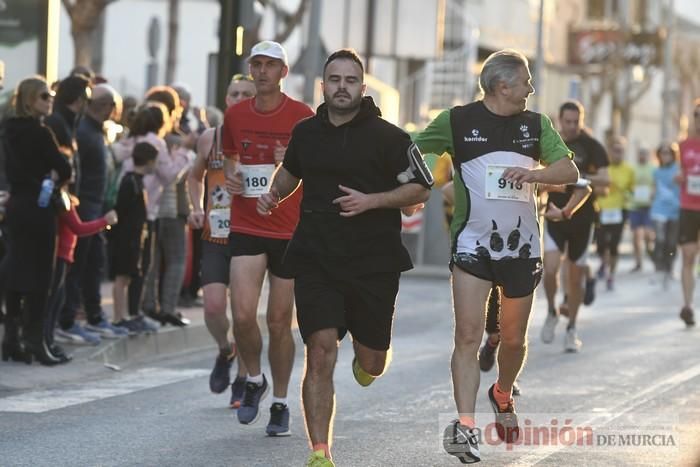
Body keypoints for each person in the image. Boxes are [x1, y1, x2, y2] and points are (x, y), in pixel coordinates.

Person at [256, 49, 431, 467]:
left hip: (374, 261)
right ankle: (320, 452)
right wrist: (274, 192)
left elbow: (421, 190)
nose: (341, 87)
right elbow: (291, 173)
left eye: (350, 80)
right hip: (316, 256)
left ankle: (368, 358)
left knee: (372, 360)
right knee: (319, 350)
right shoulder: (306, 133)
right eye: (334, 79)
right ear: (323, 85)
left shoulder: (390, 138)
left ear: (362, 88)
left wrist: (372, 200)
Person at [413, 49, 578, 463]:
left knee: (513, 338)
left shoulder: (536, 124)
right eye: (526, 81)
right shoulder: (457, 120)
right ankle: (466, 427)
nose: (531, 88)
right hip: (472, 245)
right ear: (503, 86)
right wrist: (428, 178)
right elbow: (413, 148)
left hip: (521, 249)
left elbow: (569, 173)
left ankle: (502, 392)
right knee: (468, 337)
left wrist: (536, 174)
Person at [222, 40, 314, 435]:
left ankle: (279, 401)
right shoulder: (235, 114)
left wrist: (287, 163)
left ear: (283, 72)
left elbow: (317, 171)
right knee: (242, 315)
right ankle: (254, 379)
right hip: (246, 223)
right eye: (256, 64)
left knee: (279, 322)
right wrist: (231, 175)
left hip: (289, 228)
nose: (262, 71)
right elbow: (230, 157)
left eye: (269, 65)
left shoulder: (302, 116)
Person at [188, 74, 255, 405]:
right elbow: (193, 177)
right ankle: (225, 351)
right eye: (235, 93)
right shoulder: (209, 139)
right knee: (214, 307)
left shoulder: (262, 138)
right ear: (226, 99)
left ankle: (244, 378)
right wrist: (194, 207)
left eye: (247, 93)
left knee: (243, 312)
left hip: (251, 235)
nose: (240, 98)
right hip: (215, 234)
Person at [3, 76, 72, 365]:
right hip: (40, 207)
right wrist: (54, 176)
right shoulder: (40, 132)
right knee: (41, 275)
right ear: (29, 100)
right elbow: (64, 168)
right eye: (44, 95)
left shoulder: (7, 130)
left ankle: (11, 339)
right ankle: (35, 341)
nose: (50, 100)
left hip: (17, 206)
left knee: (17, 269)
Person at [57, 84, 128, 343]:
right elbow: (79, 172)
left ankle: (93, 316)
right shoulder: (86, 132)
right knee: (80, 267)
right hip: (86, 207)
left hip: (95, 206)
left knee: (93, 264)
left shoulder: (94, 131)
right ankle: (68, 319)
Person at [540, 100, 609, 352]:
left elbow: (605, 180)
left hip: (582, 219)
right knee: (549, 269)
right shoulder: (551, 143)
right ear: (560, 120)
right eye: (566, 122)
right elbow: (538, 172)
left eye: (575, 122)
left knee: (575, 276)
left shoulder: (592, 146)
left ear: (581, 120)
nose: (570, 126)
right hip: (554, 216)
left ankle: (572, 328)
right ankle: (551, 311)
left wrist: (579, 177)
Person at [46, 172, 118, 362]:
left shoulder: (65, 197)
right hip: (60, 254)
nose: (75, 172)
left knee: (56, 300)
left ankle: (49, 343)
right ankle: (47, 343)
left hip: (64, 254)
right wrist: (105, 221)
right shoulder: (61, 198)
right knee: (54, 301)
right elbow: (78, 228)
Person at [111, 142, 158, 327]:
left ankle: (125, 316)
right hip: (126, 238)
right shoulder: (129, 182)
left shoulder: (137, 182)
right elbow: (121, 210)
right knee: (122, 277)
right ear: (148, 161)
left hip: (135, 238)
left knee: (128, 276)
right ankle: (118, 317)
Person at [595, 136, 634, 291]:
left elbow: (633, 191)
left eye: (621, 151)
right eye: (615, 150)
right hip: (602, 209)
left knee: (614, 245)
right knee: (600, 244)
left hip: (620, 210)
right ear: (610, 151)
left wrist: (627, 194)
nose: (618, 154)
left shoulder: (629, 170)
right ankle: (604, 262)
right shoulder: (603, 167)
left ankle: (610, 274)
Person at [676, 99, 700, 327]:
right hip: (689, 207)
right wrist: (680, 177)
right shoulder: (684, 146)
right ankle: (688, 305)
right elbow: (677, 172)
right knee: (688, 256)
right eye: (697, 115)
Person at [650, 142, 680, 289]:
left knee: (672, 242)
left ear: (673, 155)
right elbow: (654, 189)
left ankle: (670, 267)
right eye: (662, 153)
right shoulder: (656, 172)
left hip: (675, 210)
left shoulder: (678, 169)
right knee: (660, 239)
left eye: (668, 152)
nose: (665, 155)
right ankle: (659, 268)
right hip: (659, 209)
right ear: (659, 155)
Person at [629, 147, 655, 272]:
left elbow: (656, 185)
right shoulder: (632, 169)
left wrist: (653, 193)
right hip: (634, 206)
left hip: (649, 206)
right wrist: (631, 193)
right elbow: (628, 186)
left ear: (648, 155)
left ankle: (652, 254)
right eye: (640, 154)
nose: (642, 156)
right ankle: (638, 262)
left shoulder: (653, 169)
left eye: (645, 154)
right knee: (635, 237)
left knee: (648, 235)